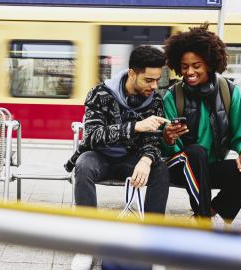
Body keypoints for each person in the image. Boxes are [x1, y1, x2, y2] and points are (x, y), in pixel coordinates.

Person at [64, 45, 170, 270]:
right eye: (148, 80)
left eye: (156, 80)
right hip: (100, 157)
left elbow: (153, 141)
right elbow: (92, 136)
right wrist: (135, 127)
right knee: (83, 166)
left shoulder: (155, 101)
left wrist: (147, 159)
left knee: (160, 168)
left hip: (131, 159)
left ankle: (153, 244)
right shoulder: (100, 93)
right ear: (132, 73)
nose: (153, 86)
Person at [162, 23, 241, 223]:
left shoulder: (230, 92)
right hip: (179, 166)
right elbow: (167, 148)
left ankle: (211, 210)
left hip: (210, 166)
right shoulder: (173, 96)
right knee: (196, 152)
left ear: (209, 63)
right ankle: (203, 220)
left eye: (196, 65)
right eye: (184, 66)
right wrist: (168, 138)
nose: (189, 71)